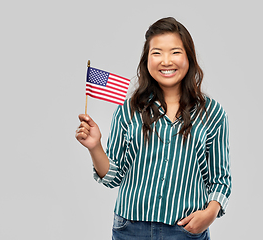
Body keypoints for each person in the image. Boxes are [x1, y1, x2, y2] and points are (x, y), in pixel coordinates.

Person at [76, 17, 231, 240]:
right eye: (157, 53)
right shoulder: (128, 111)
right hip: (130, 229)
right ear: (146, 61)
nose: (166, 61)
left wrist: (210, 212)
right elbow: (113, 177)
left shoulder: (212, 113)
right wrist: (95, 146)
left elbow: (220, 178)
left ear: (189, 58)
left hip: (184, 230)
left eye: (175, 52)